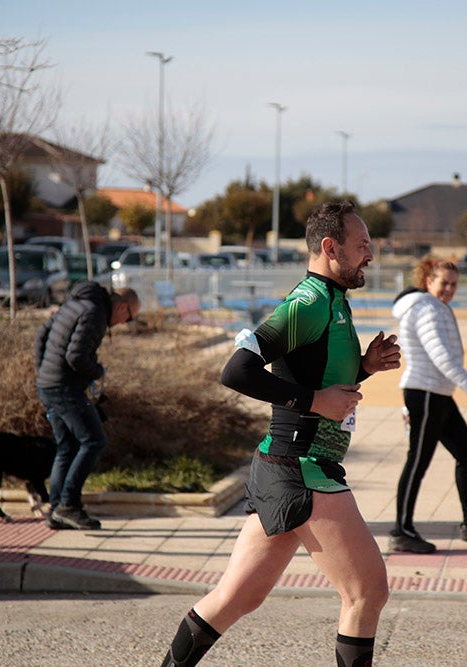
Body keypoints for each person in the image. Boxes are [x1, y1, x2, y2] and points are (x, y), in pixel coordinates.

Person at [158, 201, 402, 667]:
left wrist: (364, 368)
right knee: (367, 592)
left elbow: (319, 379)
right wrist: (314, 403)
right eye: (362, 245)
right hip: (304, 468)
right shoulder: (309, 302)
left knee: (236, 597)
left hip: (283, 467)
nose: (371, 254)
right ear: (330, 248)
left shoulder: (333, 300)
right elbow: (238, 371)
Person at [389, 256, 467, 554]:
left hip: (437, 393)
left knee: (465, 450)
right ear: (429, 281)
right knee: (418, 460)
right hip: (425, 393)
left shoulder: (435, 307)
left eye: (454, 284)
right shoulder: (427, 308)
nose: (449, 289)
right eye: (444, 283)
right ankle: (402, 530)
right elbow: (441, 356)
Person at [34, 281, 140, 530]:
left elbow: (42, 333)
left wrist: (42, 371)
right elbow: (76, 356)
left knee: (67, 446)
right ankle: (68, 506)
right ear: (123, 308)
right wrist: (98, 372)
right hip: (64, 388)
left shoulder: (75, 303)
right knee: (94, 440)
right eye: (129, 319)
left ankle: (57, 510)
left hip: (48, 385)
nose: (124, 324)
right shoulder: (95, 314)